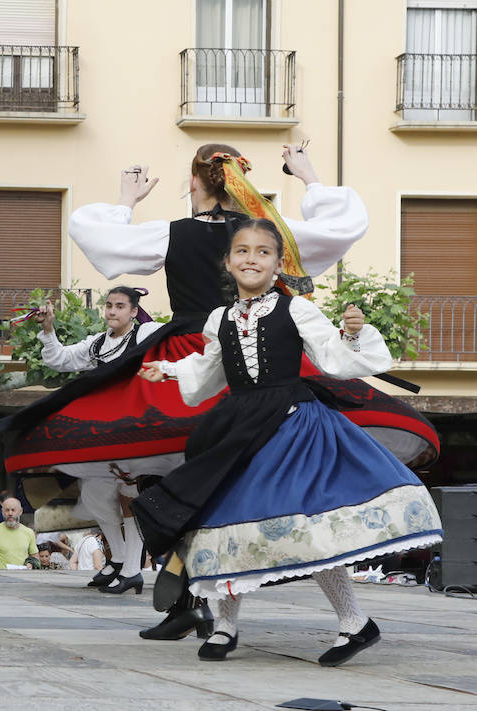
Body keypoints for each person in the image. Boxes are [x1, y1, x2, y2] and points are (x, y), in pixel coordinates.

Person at [0, 144, 440, 638]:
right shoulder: (271, 238)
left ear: (194, 184)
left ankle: (211, 602)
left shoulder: (178, 236)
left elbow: (94, 232)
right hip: (219, 361)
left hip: (245, 378)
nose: (251, 260)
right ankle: (203, 606)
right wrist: (309, 177)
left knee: (208, 488)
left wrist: (126, 199)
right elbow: (341, 229)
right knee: (208, 493)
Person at [136, 218, 442, 665]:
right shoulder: (219, 318)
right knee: (222, 524)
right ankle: (224, 626)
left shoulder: (296, 309)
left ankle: (355, 622)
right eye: (242, 250)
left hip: (291, 424)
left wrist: (353, 333)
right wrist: (167, 370)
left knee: (309, 526)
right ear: (228, 261)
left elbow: (335, 358)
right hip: (238, 426)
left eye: (263, 252)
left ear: (279, 263)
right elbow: (207, 372)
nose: (251, 258)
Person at [35, 286, 165, 595]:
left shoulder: (146, 333)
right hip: (106, 430)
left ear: (134, 311)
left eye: (120, 306)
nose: (112, 311)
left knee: (128, 494)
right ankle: (119, 560)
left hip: (136, 427)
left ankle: (133, 569)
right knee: (94, 492)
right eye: (109, 305)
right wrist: (48, 327)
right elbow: (60, 359)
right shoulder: (97, 344)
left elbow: (177, 337)